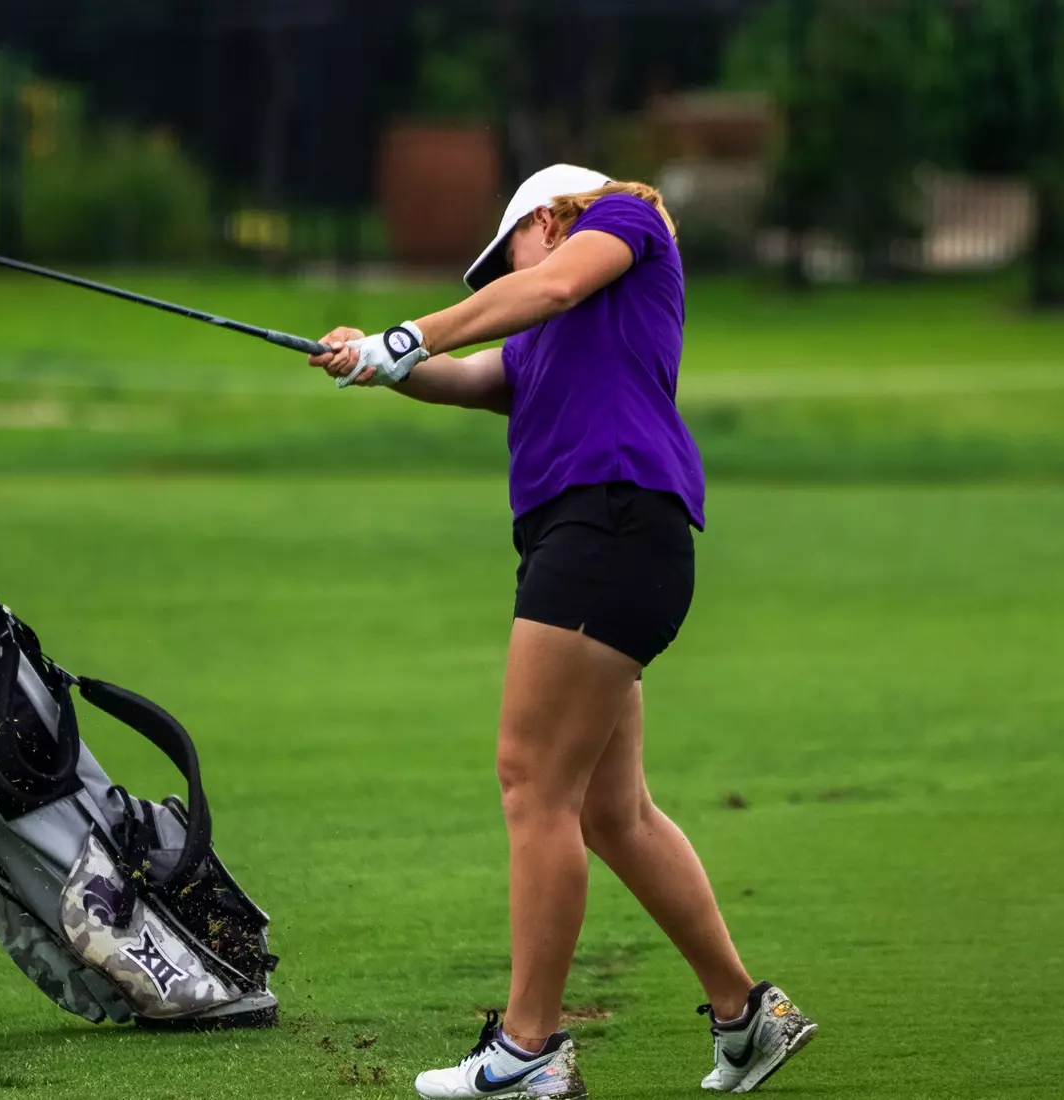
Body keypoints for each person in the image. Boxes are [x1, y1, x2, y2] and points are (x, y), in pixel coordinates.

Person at [309, 165, 817, 1099]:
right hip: (596, 542)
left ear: (545, 219)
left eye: (500, 255)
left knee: (531, 780)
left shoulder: (623, 217)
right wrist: (373, 362)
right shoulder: (545, 337)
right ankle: (747, 1016)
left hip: (609, 526)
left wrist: (402, 333)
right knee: (607, 812)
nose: (498, 279)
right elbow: (465, 376)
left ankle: (529, 1049)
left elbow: (544, 284)